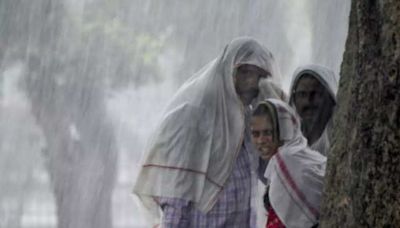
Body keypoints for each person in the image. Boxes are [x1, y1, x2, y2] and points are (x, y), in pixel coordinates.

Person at [133, 37, 281, 227]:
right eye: (245, 72)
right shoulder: (192, 120)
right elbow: (176, 197)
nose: (252, 82)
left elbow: (270, 171)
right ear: (226, 72)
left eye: (260, 75)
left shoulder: (248, 122)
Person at [250, 99, 326, 228]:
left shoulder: (286, 161)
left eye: (268, 132)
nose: (261, 141)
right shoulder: (299, 156)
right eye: (255, 134)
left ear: (284, 129)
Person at [288, 64, 338, 156]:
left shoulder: (341, 136)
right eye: (302, 94)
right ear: (294, 99)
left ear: (330, 97)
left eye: (316, 94)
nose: (308, 102)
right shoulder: (287, 140)